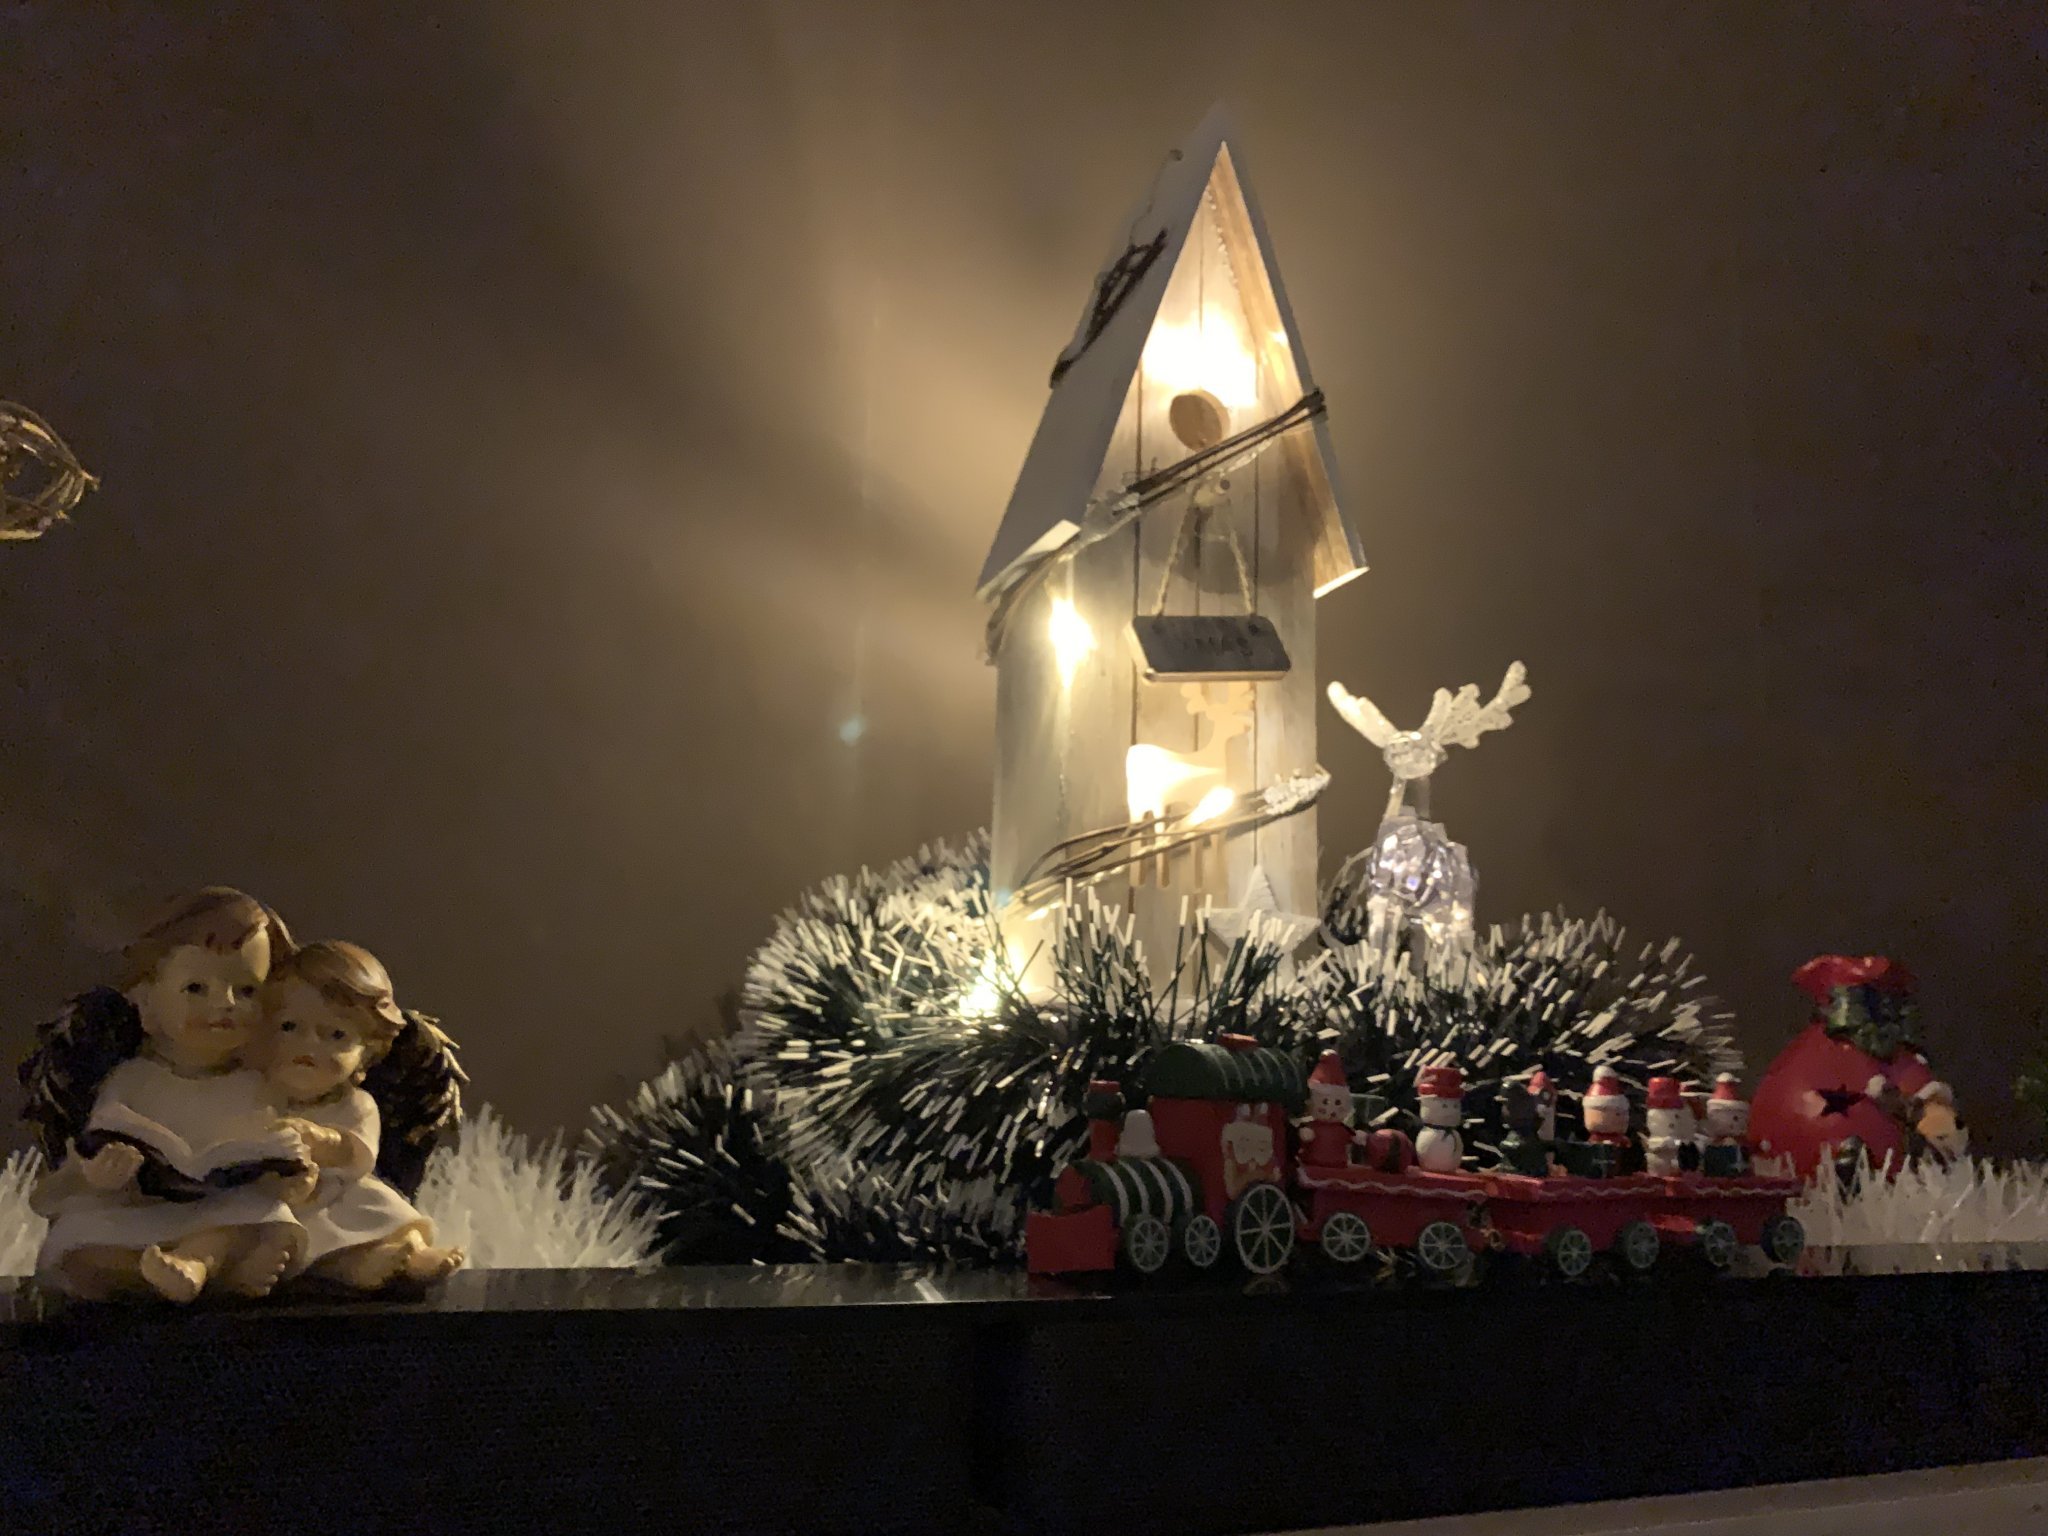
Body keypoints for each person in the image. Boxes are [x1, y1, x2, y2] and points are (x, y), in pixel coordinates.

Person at [26, 889, 309, 1301]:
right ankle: (157, 1274)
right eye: (196, 988)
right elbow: (71, 1170)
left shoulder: (258, 1085)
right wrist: (97, 1174)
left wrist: (293, 1178)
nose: (225, 1004)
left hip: (221, 1214)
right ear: (146, 1001)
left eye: (247, 991)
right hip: (136, 1213)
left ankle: (201, 1265)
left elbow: (284, 1159)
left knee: (265, 1221)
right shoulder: (132, 1079)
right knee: (81, 1245)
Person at [253, 941, 465, 1290]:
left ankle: (413, 1251)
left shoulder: (357, 1104)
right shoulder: (254, 1092)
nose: (309, 1045)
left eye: (336, 1035)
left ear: (367, 1055)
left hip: (338, 1191)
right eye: (289, 1027)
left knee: (383, 1206)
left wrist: (325, 1141)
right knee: (291, 1231)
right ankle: (352, 1268)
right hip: (277, 1194)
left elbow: (358, 1155)